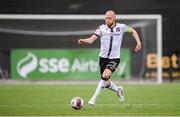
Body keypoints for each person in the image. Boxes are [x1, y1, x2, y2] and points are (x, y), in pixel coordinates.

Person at [78, 10, 142, 106]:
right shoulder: (101, 28)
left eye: (109, 18)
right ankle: (118, 90)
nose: (107, 20)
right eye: (106, 18)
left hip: (115, 58)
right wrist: (83, 40)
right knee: (106, 82)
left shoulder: (121, 27)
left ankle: (93, 98)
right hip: (102, 58)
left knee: (105, 76)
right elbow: (91, 40)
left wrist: (138, 42)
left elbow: (132, 31)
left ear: (114, 18)